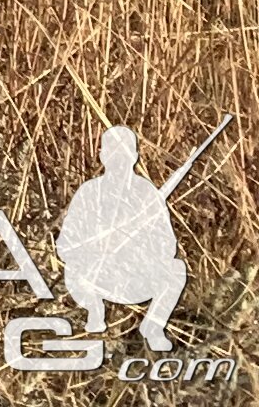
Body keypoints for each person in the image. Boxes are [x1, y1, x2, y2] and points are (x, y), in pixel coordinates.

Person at [58, 126, 187, 352]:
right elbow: (66, 245)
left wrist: (137, 244)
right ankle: (94, 312)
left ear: (135, 156)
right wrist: (97, 248)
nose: (119, 159)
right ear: (102, 156)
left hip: (135, 278)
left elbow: (168, 246)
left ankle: (153, 326)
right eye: (113, 152)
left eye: (125, 152)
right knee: (73, 270)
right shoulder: (89, 192)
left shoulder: (147, 193)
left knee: (176, 269)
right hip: (95, 279)